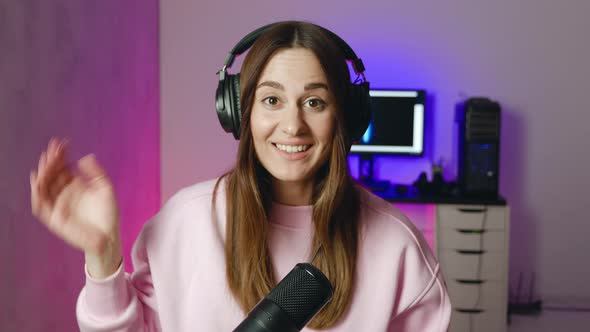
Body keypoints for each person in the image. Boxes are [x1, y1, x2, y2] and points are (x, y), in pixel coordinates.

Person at [30, 21, 451, 331]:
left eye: (315, 103)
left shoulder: (398, 247)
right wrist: (103, 254)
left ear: (346, 116)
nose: (292, 126)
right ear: (239, 112)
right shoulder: (185, 221)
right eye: (271, 100)